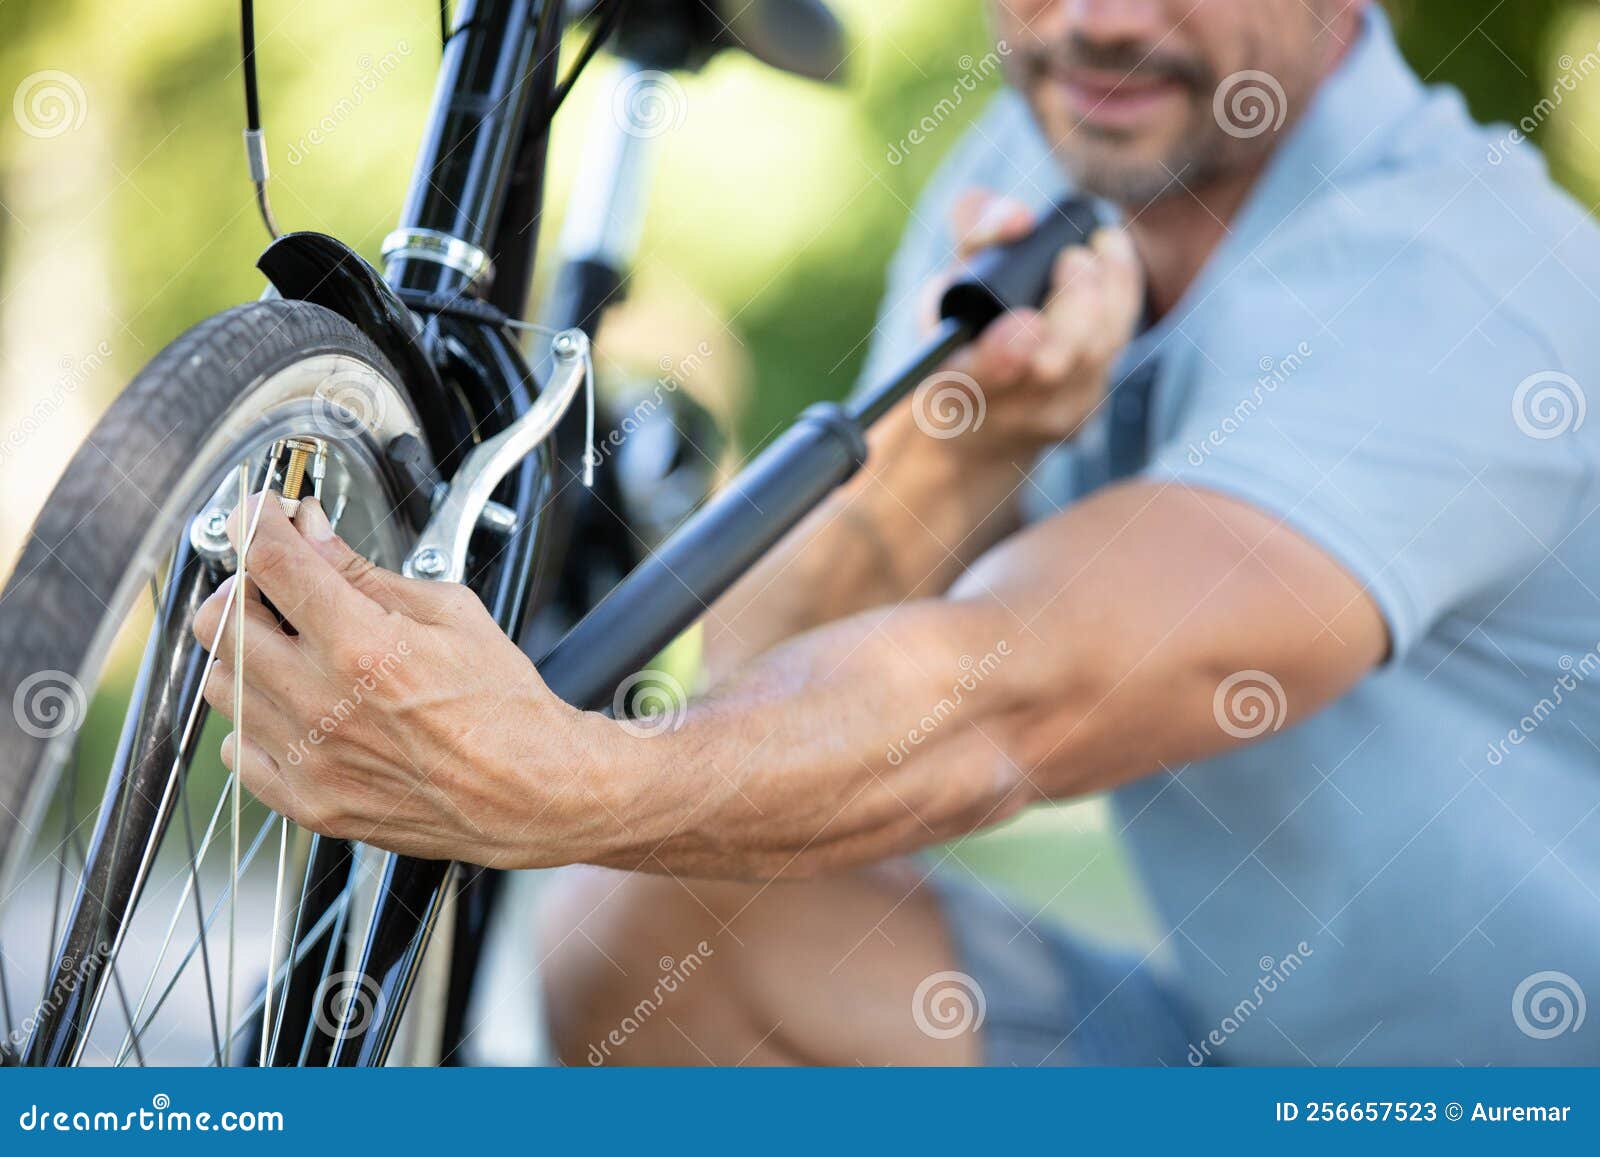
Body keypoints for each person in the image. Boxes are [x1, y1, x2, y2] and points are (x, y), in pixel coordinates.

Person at [194, 0, 1600, 1065]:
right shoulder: (1041, 163)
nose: (1099, 21)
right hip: (1239, 1058)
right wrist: (963, 449)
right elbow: (765, 676)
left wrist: (565, 777)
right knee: (660, 922)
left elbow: (1018, 702)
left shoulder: (1455, 282)